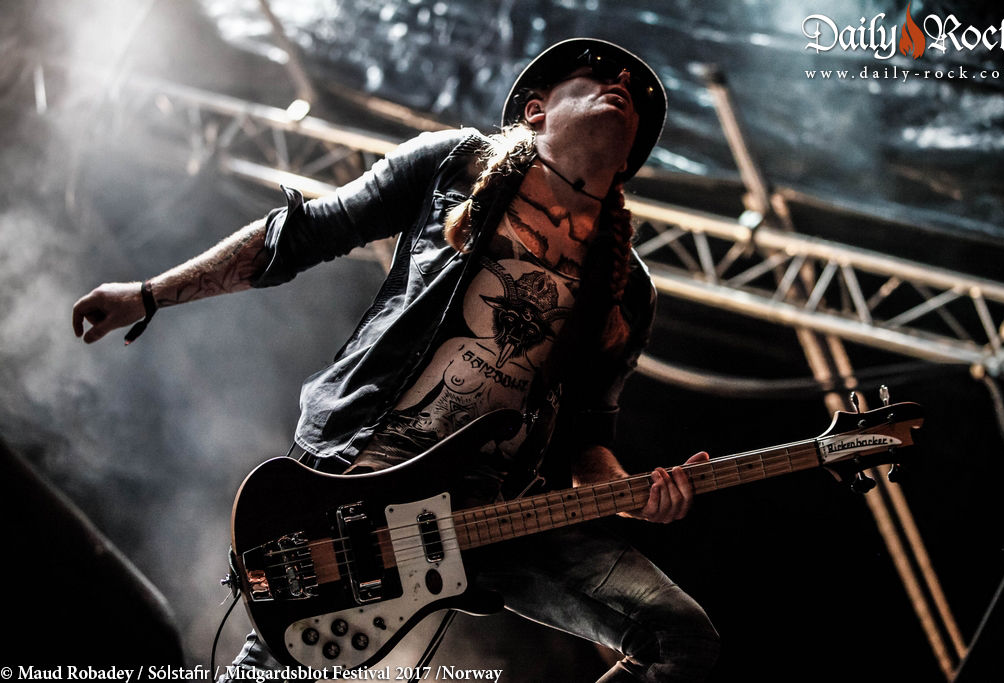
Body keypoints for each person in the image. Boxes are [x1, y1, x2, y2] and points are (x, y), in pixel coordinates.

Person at [72, 38, 720, 682]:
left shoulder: (629, 291)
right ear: (536, 109)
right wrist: (150, 293)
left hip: (500, 512)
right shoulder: (453, 166)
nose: (622, 83)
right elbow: (299, 235)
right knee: (278, 664)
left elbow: (586, 443)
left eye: (636, 94)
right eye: (598, 73)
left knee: (680, 636)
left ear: (629, 159)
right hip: (372, 475)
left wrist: (639, 497)